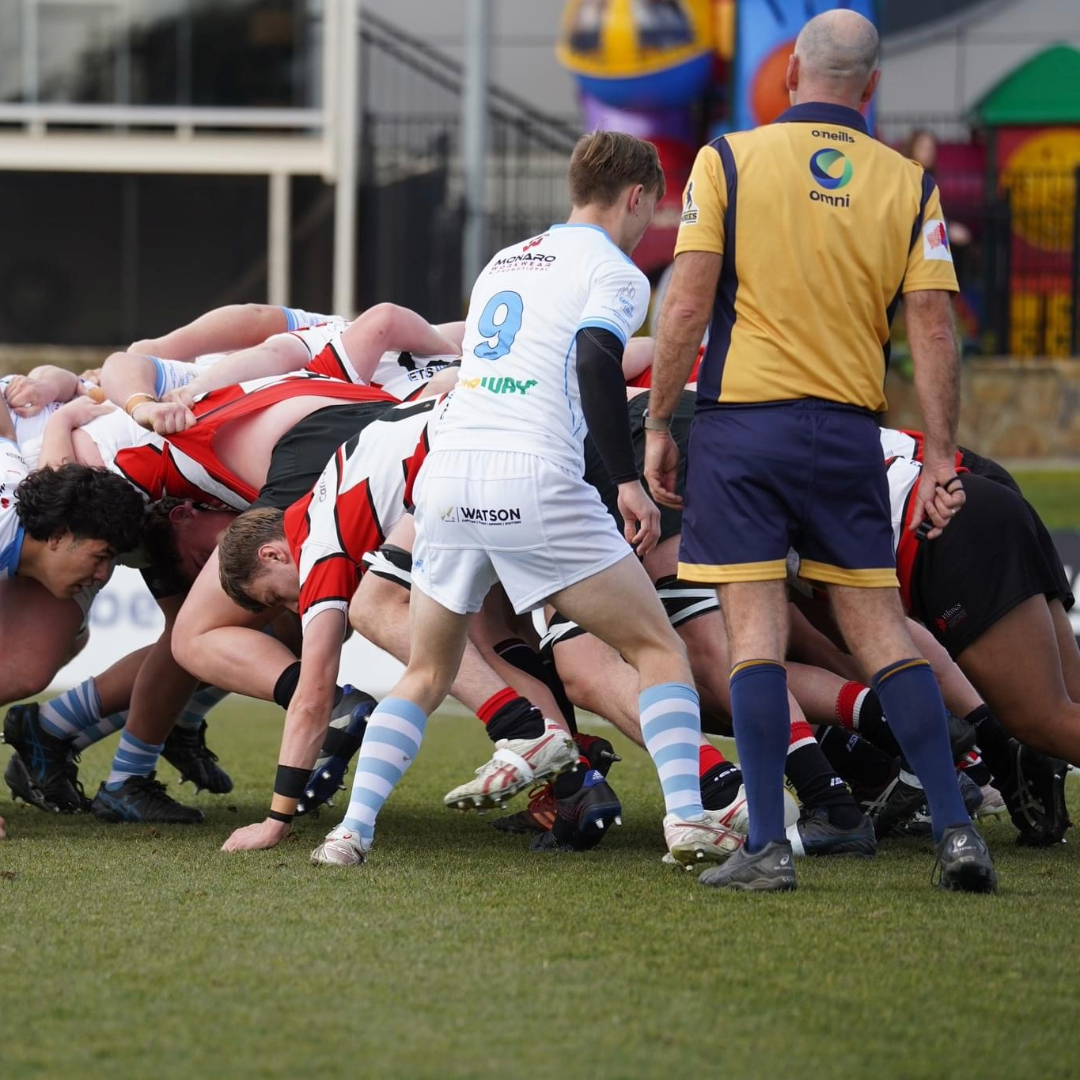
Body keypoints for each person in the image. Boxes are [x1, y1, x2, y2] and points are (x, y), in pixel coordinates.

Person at [310, 130, 743, 871]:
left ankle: (349, 833)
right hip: (533, 475)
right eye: (652, 208)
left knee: (426, 670)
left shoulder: (505, 261)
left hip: (444, 480)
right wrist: (629, 478)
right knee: (655, 647)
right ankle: (687, 820)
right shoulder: (617, 271)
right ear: (636, 196)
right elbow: (596, 358)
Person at [645, 10, 996, 892]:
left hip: (742, 429)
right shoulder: (909, 183)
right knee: (881, 631)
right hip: (847, 432)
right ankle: (957, 830)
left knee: (754, 638)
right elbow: (935, 330)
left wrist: (654, 424)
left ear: (791, 72)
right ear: (871, 88)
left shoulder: (726, 159)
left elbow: (684, 307)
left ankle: (767, 846)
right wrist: (943, 458)